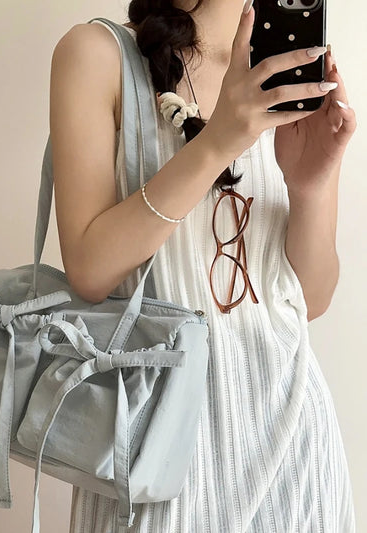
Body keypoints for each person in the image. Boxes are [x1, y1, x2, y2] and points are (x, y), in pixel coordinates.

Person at [49, 0, 357, 530]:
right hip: (156, 461)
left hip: (296, 455)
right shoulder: (96, 54)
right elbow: (89, 269)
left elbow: (311, 299)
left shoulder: (289, 69)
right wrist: (217, 142)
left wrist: (310, 186)